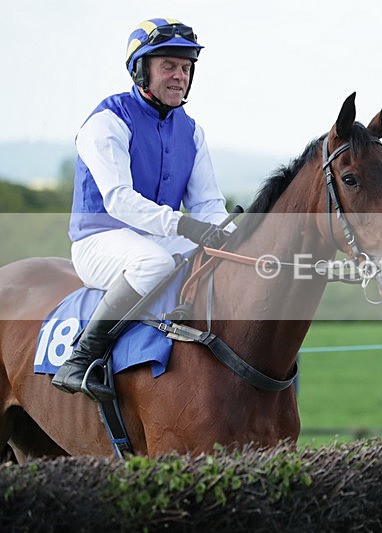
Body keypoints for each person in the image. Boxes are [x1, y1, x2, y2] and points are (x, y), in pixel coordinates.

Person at [51, 18, 232, 401]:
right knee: (155, 264)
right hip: (99, 240)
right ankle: (81, 358)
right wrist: (187, 226)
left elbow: (209, 204)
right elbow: (120, 200)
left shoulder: (192, 130)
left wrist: (231, 236)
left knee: (216, 261)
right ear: (140, 70)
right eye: (168, 66)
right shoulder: (107, 121)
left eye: (185, 68)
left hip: (159, 239)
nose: (179, 76)